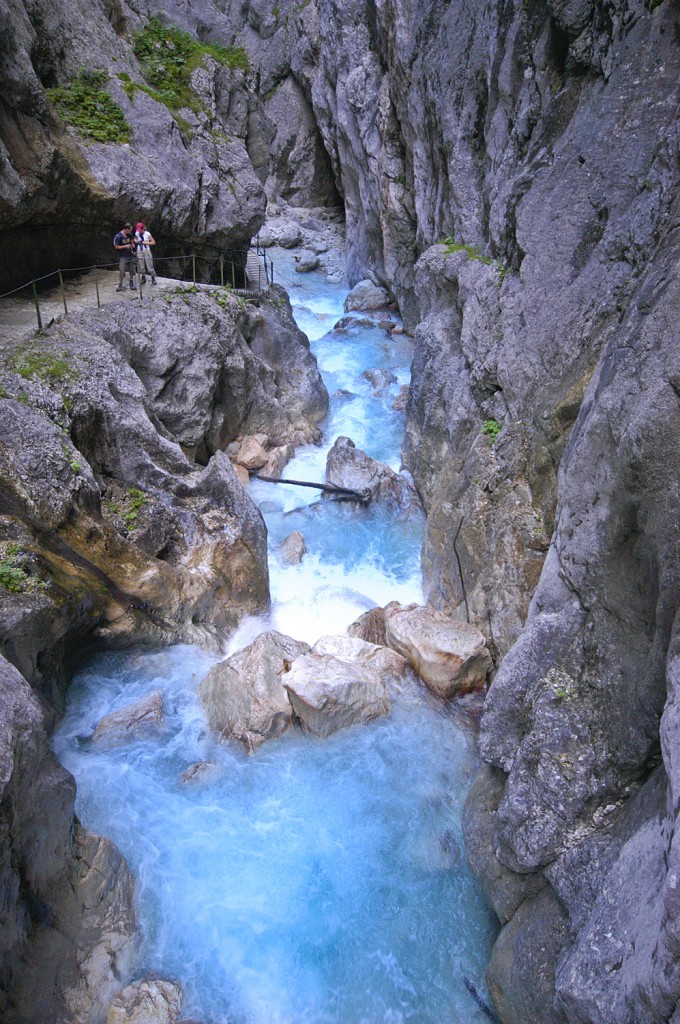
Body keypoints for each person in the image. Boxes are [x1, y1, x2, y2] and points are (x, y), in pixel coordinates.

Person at [113, 223, 137, 291]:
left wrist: (134, 250)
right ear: (126, 229)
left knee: (131, 270)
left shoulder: (130, 235)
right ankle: (120, 285)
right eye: (130, 230)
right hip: (123, 256)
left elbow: (132, 243)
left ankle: (131, 283)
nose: (131, 231)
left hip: (130, 255)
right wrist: (125, 246)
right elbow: (116, 246)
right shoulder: (118, 236)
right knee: (122, 270)